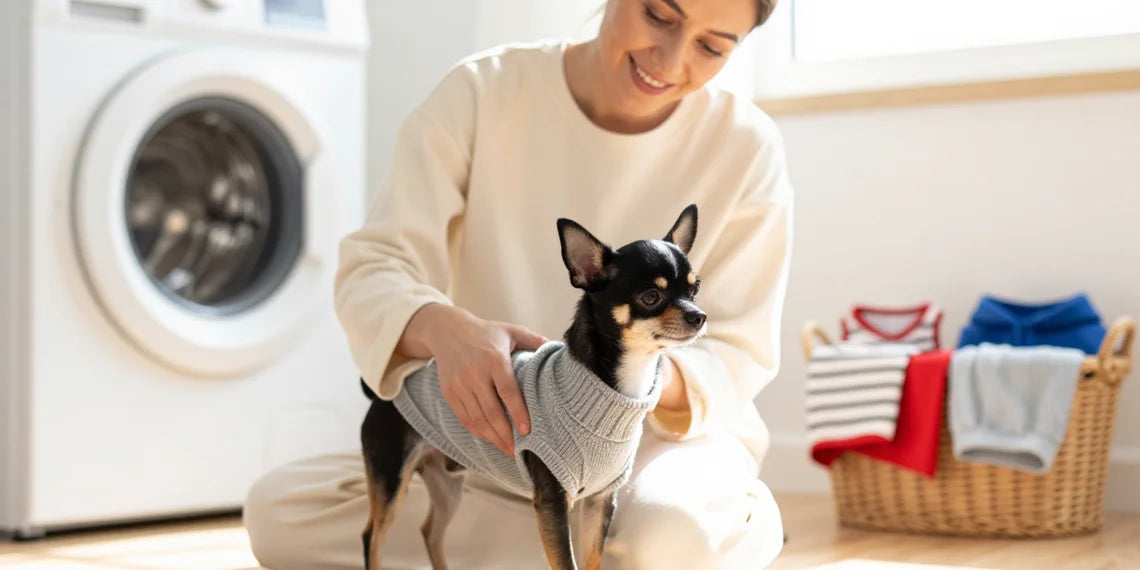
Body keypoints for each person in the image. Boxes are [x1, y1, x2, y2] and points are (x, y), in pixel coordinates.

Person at [243, 0, 793, 568]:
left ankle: (590, 531)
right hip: (498, 431)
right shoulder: (484, 92)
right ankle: (567, 533)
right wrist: (442, 330)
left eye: (712, 46)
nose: (671, 59)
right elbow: (375, 265)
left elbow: (739, 353)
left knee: (665, 537)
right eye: (658, 14)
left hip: (661, 443)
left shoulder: (747, 146)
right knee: (277, 512)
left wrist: (615, 386)